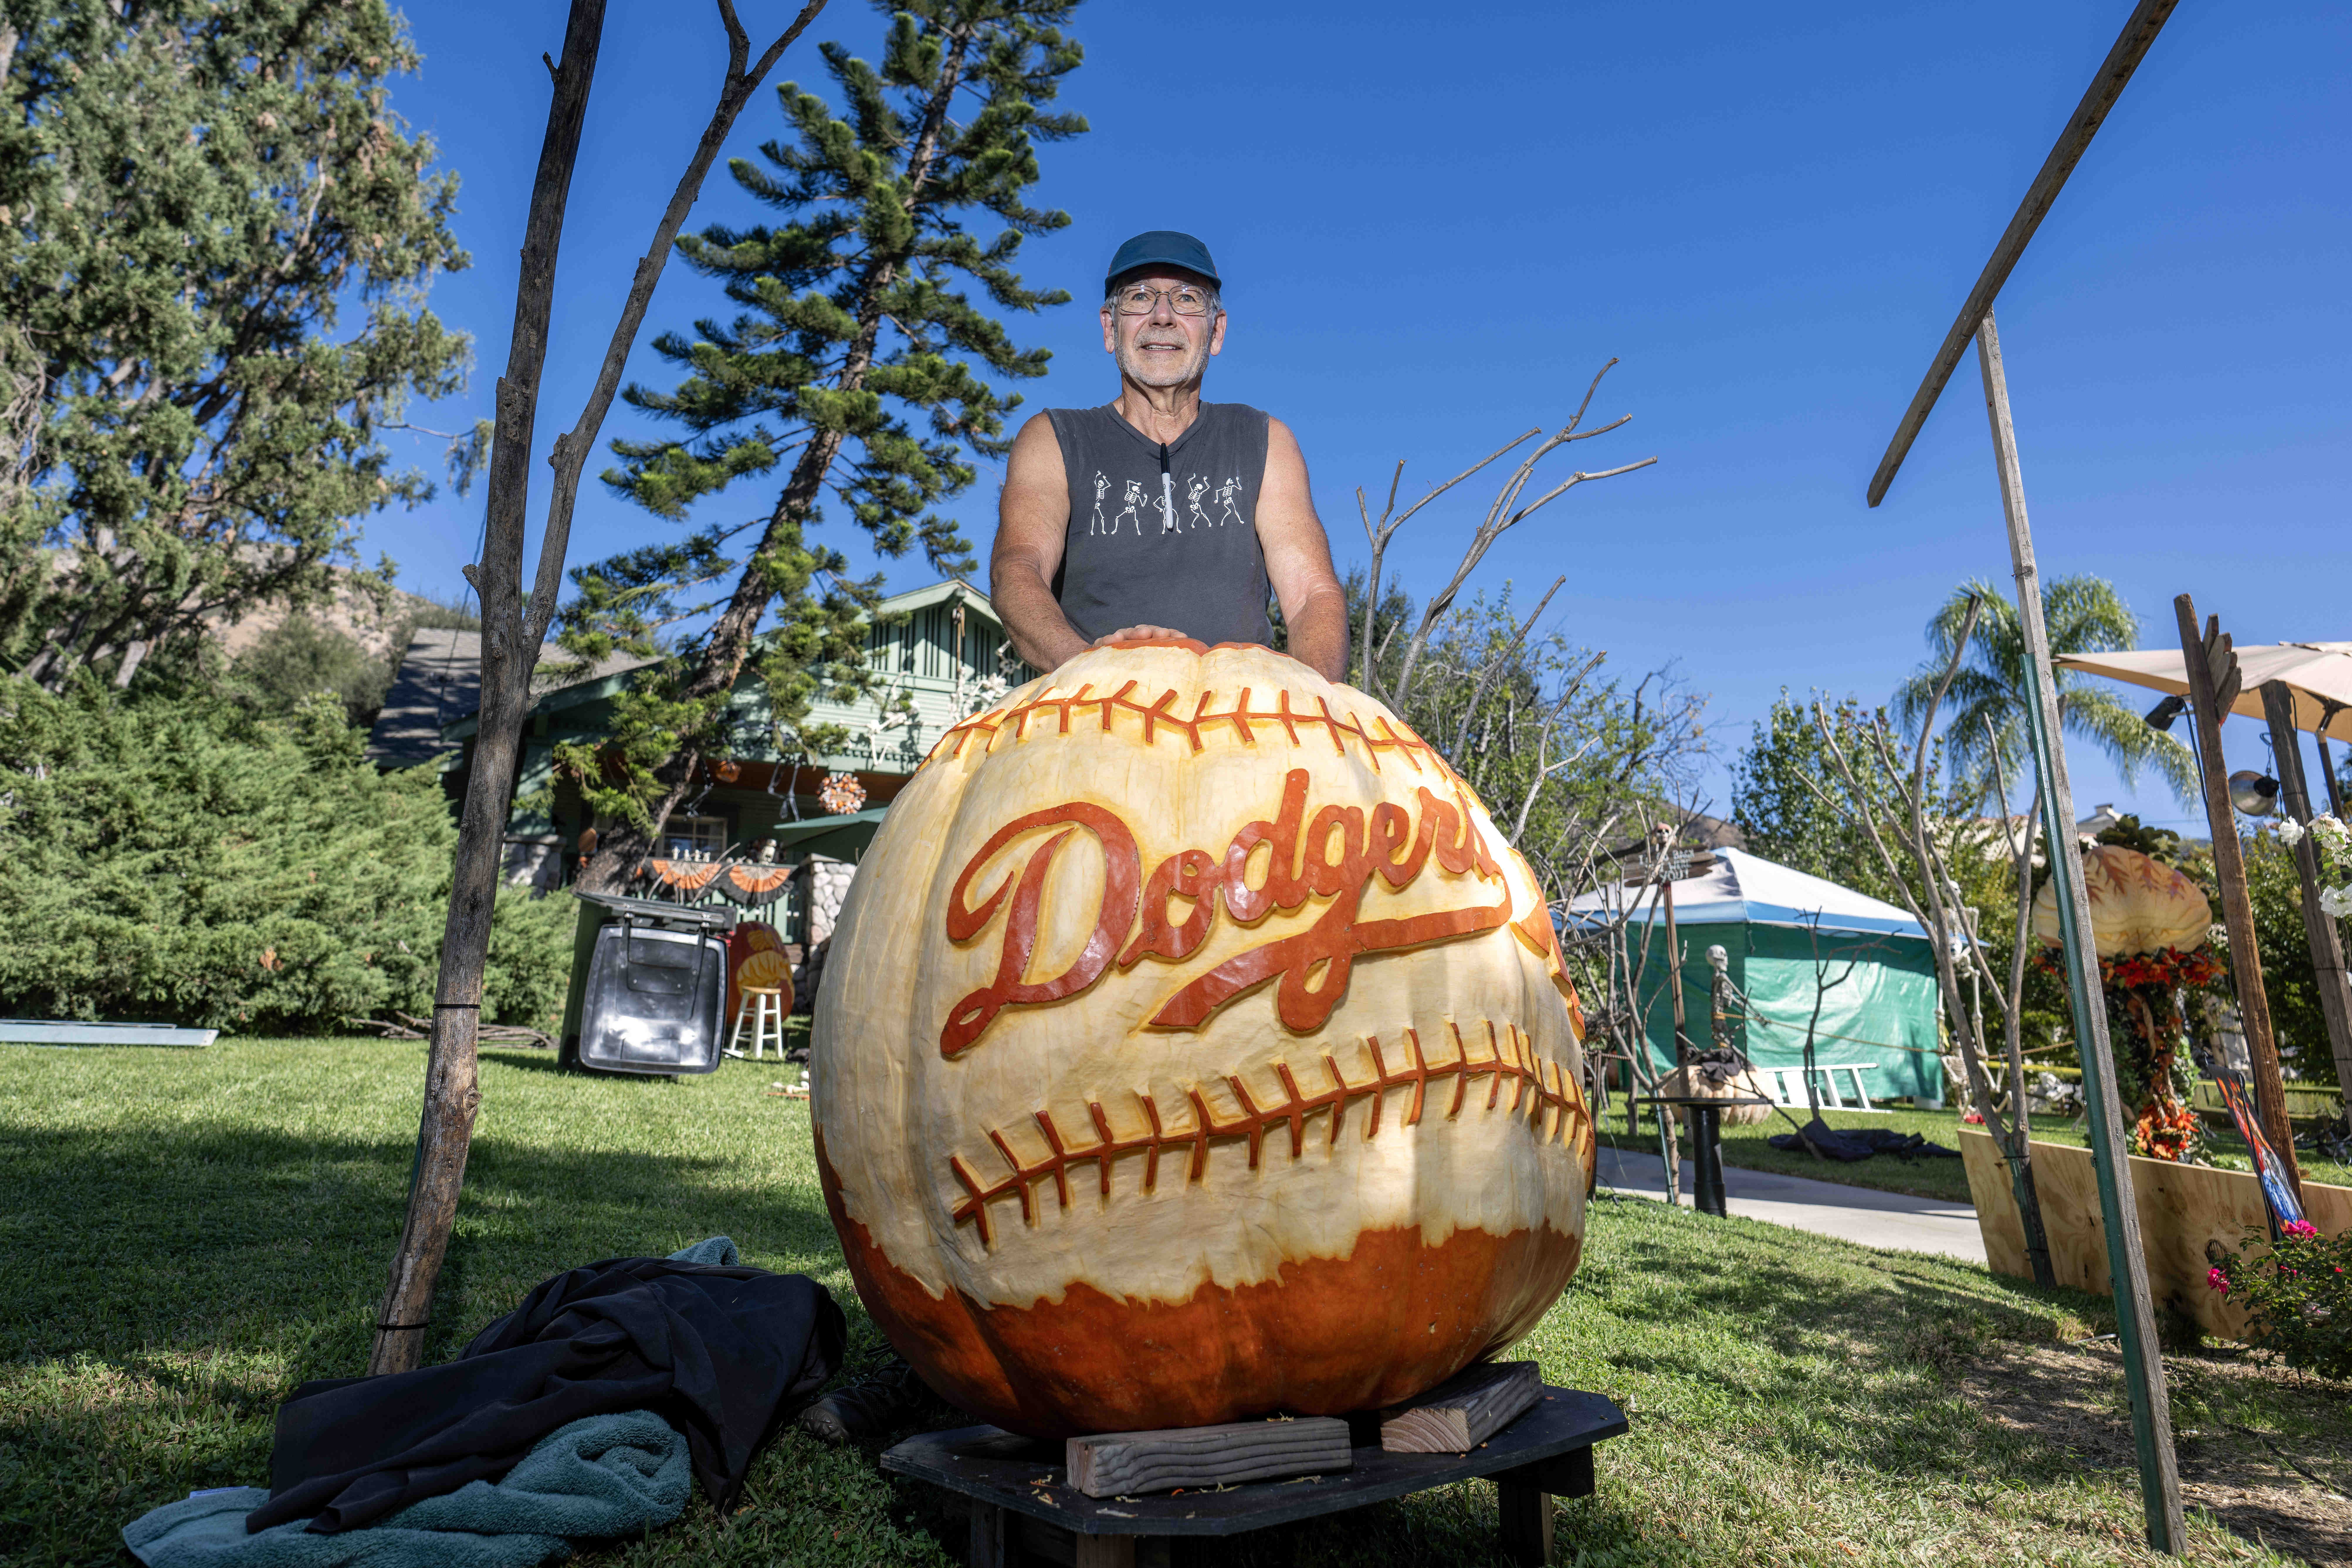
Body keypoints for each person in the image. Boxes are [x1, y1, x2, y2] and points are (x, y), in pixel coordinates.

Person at [990, 230, 1349, 681]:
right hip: (1087, 716)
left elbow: (1313, 595)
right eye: (1140, 298)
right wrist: (1088, 674)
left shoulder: (1265, 440)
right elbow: (1018, 570)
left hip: (1240, 725)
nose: (1162, 316)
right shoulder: (1054, 439)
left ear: (1216, 331)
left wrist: (1314, 708)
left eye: (1187, 299)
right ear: (1109, 327)